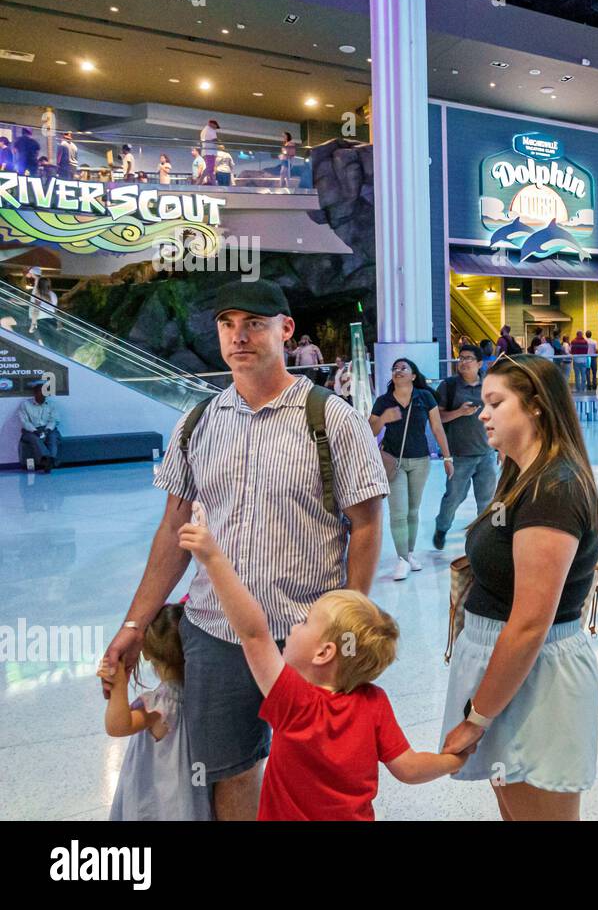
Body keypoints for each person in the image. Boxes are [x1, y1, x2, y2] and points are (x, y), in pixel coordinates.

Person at [101, 279, 388, 822]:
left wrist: (349, 622)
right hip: (216, 633)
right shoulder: (197, 423)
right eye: (227, 324)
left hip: (307, 636)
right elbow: (172, 532)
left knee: (319, 769)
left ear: (286, 329)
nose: (239, 336)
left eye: (254, 323)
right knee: (228, 771)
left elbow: (367, 524)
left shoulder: (331, 420)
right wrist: (134, 625)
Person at [177, 523, 466, 819]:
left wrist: (213, 559)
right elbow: (409, 768)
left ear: (324, 653)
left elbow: (253, 634)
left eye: (305, 622)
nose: (293, 626)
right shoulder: (374, 701)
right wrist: (452, 761)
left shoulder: (295, 701)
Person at [438, 354, 598, 821]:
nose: (482, 412)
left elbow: (531, 623)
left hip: (533, 677)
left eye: (495, 402)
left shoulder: (553, 489)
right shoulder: (521, 477)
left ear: (534, 407)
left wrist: (476, 719)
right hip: (503, 670)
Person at [97, 604, 212, 821]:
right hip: (193, 791)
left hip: (162, 798)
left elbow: (117, 726)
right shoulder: (202, 695)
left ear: (147, 653)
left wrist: (118, 684)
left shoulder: (160, 704)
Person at [369, 358, 452, 579]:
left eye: (403, 368)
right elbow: (369, 430)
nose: (398, 371)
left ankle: (410, 552)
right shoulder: (384, 400)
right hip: (393, 461)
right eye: (395, 368)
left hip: (420, 461)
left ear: (413, 375)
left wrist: (447, 457)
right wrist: (384, 418)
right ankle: (402, 559)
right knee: (398, 513)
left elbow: (437, 428)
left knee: (413, 511)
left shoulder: (424, 397)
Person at [432, 344, 497, 549]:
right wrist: (459, 412)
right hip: (459, 455)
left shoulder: (490, 385)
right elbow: (438, 418)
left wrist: (502, 448)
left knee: (486, 500)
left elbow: (499, 415)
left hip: (486, 454)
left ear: (479, 363)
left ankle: (484, 538)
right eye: (461, 358)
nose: (463, 362)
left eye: (468, 358)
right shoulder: (449, 386)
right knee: (453, 498)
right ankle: (441, 527)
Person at [18, 378, 61, 472]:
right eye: (40, 391)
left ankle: (48, 462)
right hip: (30, 431)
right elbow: (24, 422)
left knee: (53, 438)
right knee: (35, 439)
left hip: (48, 429)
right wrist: (35, 431)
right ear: (35, 392)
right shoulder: (25, 404)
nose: (43, 394)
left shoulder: (52, 404)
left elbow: (54, 420)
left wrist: (47, 430)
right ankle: (48, 460)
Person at [26, 276, 58, 348]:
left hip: (42, 321)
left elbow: (36, 310)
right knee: (51, 344)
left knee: (44, 345)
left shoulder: (39, 294)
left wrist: (33, 324)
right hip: (52, 321)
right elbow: (55, 310)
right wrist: (59, 322)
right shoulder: (53, 294)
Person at [200, 119, 219, 186]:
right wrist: (219, 142)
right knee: (210, 168)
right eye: (215, 126)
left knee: (210, 169)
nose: (215, 128)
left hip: (205, 151)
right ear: (212, 124)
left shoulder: (203, 130)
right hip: (210, 151)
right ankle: (199, 182)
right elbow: (214, 140)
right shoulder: (211, 130)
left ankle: (213, 183)